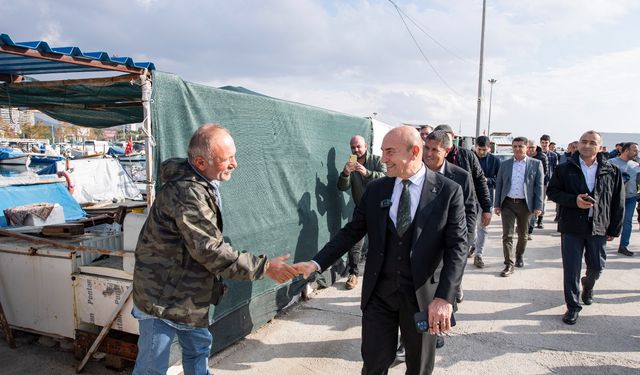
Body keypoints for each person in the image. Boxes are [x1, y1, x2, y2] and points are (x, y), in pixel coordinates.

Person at [295, 126, 467, 375]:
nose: (383, 159)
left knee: (419, 368)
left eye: (389, 152)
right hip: (379, 297)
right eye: (382, 152)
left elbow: (457, 248)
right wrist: (317, 263)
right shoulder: (377, 189)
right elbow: (351, 232)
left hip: (422, 300)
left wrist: (444, 298)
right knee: (374, 365)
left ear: (414, 152)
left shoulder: (449, 192)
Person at [131, 124, 298, 375]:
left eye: (234, 156)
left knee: (198, 350)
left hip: (188, 295)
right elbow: (209, 250)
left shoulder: (201, 182)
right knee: (151, 367)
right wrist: (264, 267)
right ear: (200, 162)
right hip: (161, 297)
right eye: (228, 158)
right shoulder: (188, 192)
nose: (235, 164)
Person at [547, 131, 624, 325]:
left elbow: (617, 201)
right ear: (578, 144)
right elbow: (553, 192)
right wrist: (574, 201)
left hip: (598, 226)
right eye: (584, 142)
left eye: (592, 143)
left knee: (597, 267)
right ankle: (573, 306)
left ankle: (588, 286)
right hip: (572, 225)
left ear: (600, 147)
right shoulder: (565, 168)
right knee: (571, 269)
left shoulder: (611, 170)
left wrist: (614, 229)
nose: (587, 145)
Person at [433, 124, 492, 255]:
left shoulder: (467, 156)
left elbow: (480, 182)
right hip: (439, 210)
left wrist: (486, 208)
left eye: (446, 137)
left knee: (459, 248)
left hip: (464, 208)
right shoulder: (431, 157)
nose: (443, 141)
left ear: (453, 137)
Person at [338, 135, 387, 288]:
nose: (356, 150)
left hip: (380, 209)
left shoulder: (377, 160)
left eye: (358, 146)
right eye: (353, 147)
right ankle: (353, 274)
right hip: (361, 209)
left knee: (379, 242)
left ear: (366, 146)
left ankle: (381, 275)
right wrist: (345, 174)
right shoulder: (350, 164)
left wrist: (367, 173)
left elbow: (386, 178)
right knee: (355, 244)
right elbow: (342, 187)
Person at [494, 136, 544, 277]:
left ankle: (519, 255)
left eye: (520, 146)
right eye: (515, 146)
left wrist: (538, 206)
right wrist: (497, 204)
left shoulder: (536, 164)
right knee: (507, 235)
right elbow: (499, 185)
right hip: (508, 204)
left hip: (525, 205)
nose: (517, 149)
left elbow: (539, 187)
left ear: (527, 147)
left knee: (523, 235)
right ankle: (508, 264)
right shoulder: (505, 164)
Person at [472, 135, 501, 268]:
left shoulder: (495, 161)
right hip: (469, 197)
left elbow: (499, 180)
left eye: (484, 149)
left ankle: (479, 254)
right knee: (469, 226)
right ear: (475, 146)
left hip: (486, 197)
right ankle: (473, 245)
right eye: (479, 149)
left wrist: (486, 180)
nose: (482, 152)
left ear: (489, 148)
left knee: (483, 226)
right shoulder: (469, 157)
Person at [608, 142, 640, 256]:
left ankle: (623, 246)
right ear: (626, 150)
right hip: (614, 198)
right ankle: (601, 242)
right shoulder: (611, 163)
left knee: (627, 222)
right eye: (635, 150)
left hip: (630, 198)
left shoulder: (636, 165)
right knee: (608, 220)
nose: (637, 152)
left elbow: (639, 183)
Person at [527, 139, 548, 236]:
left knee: (536, 207)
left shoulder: (541, 157)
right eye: (528, 147)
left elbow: (544, 172)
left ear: (536, 147)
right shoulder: (523, 156)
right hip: (525, 186)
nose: (530, 149)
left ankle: (530, 229)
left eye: (532, 147)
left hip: (538, 185)